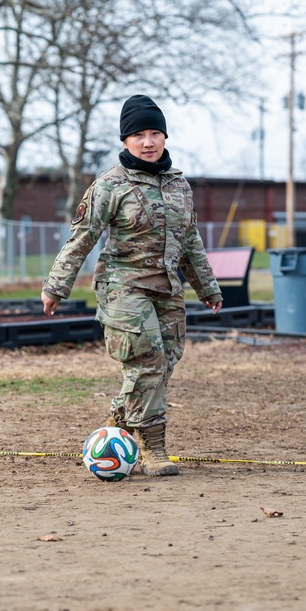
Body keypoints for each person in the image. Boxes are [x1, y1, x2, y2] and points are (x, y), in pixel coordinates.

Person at [41, 94, 222, 477]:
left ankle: (117, 425)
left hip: (168, 289)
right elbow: (82, 237)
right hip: (123, 288)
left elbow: (190, 241)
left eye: (155, 133)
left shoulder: (179, 185)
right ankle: (154, 450)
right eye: (139, 134)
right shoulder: (110, 185)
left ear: (165, 138)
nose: (148, 142)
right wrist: (56, 286)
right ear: (125, 140)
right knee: (148, 361)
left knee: (164, 364)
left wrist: (208, 288)